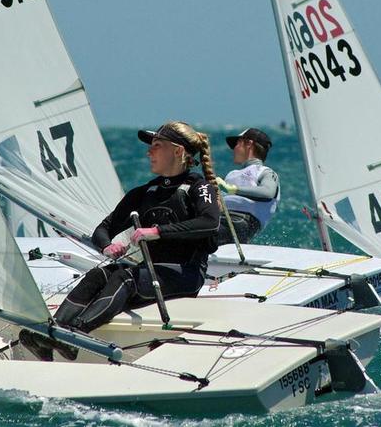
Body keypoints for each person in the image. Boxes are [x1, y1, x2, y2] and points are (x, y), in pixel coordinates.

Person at [20, 121, 220, 360]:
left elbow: (210, 222)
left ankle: (75, 334)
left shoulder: (198, 188)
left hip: (185, 275)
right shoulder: (145, 192)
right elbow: (103, 229)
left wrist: (156, 231)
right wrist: (107, 245)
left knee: (124, 276)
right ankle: (51, 333)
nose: (149, 152)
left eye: (157, 146)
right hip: (150, 274)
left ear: (178, 151)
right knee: (98, 275)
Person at [215, 128, 280, 245]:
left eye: (236, 144)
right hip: (222, 220)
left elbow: (268, 192)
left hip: (242, 222)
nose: (233, 149)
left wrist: (233, 190)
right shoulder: (232, 174)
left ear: (249, 144)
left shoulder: (266, 172)